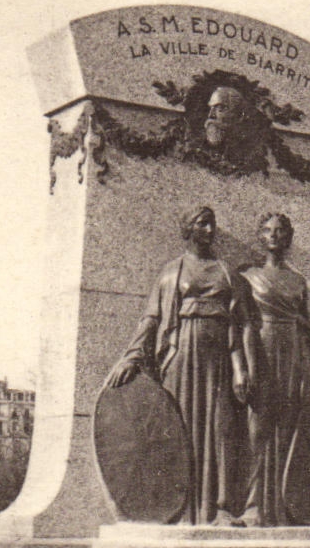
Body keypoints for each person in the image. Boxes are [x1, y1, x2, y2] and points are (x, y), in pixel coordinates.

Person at [106, 206, 250, 525]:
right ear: (188, 228)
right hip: (182, 353)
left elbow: (238, 326)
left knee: (219, 428)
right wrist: (132, 356)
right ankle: (178, 508)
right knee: (178, 429)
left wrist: (240, 368)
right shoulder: (173, 271)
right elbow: (152, 319)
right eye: (202, 224)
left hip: (218, 359)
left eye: (212, 224)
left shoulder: (227, 272)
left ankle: (220, 507)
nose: (210, 230)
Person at [239, 212, 310, 525]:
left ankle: (281, 505)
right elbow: (242, 321)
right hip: (260, 348)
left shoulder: (298, 282)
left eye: (280, 230)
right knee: (255, 431)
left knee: (286, 430)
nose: (274, 235)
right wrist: (244, 366)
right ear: (260, 236)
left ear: (289, 237)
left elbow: (307, 326)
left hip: (292, 354)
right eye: (268, 230)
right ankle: (251, 505)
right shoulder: (247, 276)